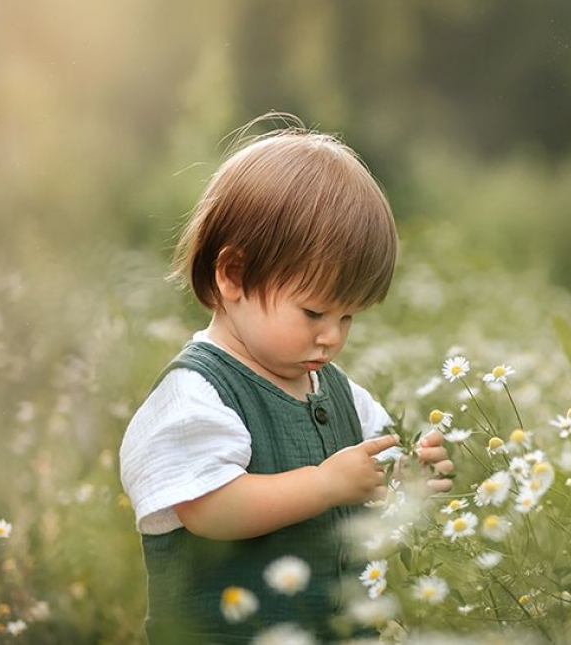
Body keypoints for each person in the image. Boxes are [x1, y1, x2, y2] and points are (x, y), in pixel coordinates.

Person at [119, 116, 453, 644]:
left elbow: (366, 487)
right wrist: (323, 485)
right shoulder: (195, 394)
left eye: (348, 318)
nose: (332, 338)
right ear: (232, 275)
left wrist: (403, 482)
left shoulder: (344, 395)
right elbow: (207, 508)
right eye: (314, 312)